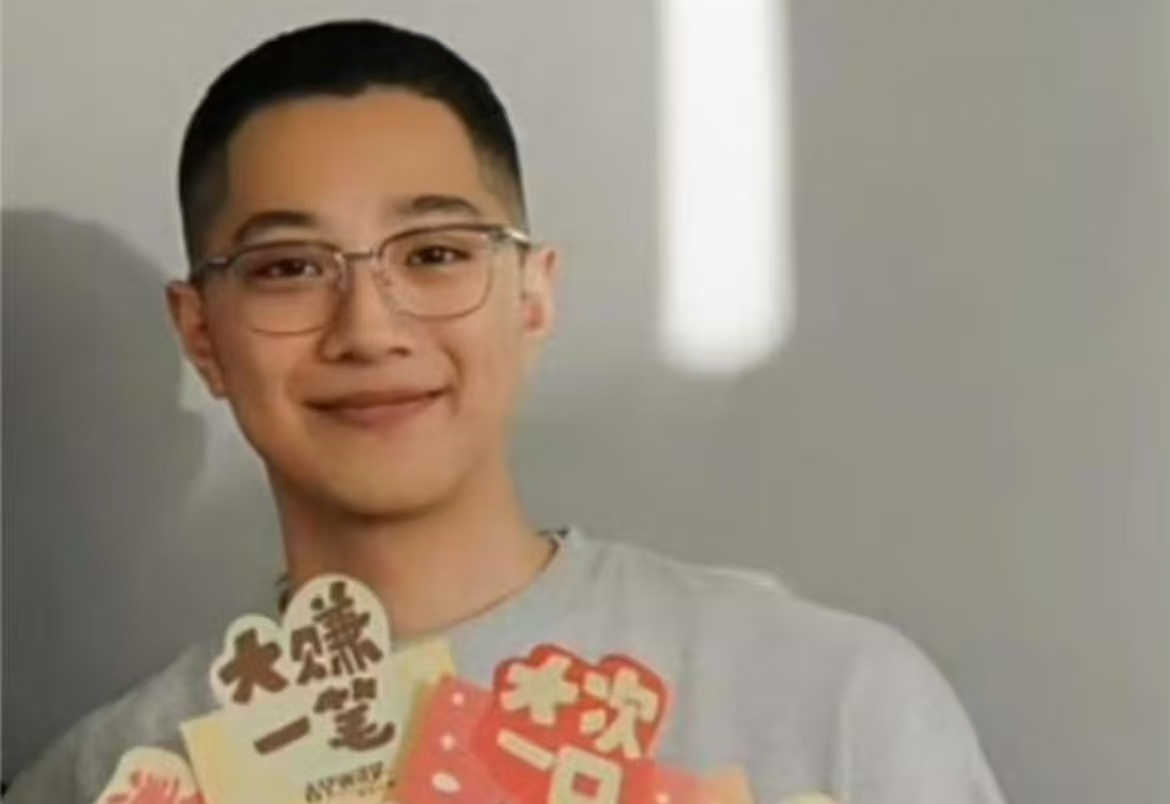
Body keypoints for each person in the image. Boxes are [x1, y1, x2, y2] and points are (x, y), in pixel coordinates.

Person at [6, 19, 1006, 804]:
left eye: (436, 254)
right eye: (288, 269)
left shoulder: (834, 700)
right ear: (201, 334)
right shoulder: (110, 777)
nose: (370, 329)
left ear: (532, 296)